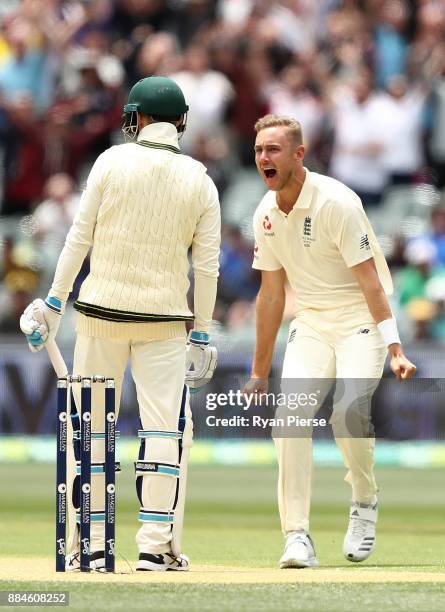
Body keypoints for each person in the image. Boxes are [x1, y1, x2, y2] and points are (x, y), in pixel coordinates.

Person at [19, 76, 221, 572]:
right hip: (166, 323)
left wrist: (53, 302)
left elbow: (77, 240)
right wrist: (202, 332)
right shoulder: (201, 178)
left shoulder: (110, 161)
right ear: (179, 121)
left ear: (141, 118)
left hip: (99, 315)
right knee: (165, 431)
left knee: (90, 428)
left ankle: (88, 544)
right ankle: (155, 546)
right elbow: (208, 269)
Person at [244, 114, 416, 569]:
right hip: (313, 322)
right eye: (260, 150)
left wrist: (394, 346)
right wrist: (259, 372)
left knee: (348, 412)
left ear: (299, 154)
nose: (264, 157)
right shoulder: (264, 214)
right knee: (289, 418)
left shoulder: (337, 202)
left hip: (361, 317)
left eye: (274, 149)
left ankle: (364, 499)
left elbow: (371, 283)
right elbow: (271, 295)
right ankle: (296, 536)